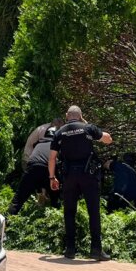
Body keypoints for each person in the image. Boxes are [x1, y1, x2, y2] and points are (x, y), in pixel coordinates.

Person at [49, 105, 113, 260]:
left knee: (69, 212)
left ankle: (70, 249)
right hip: (88, 176)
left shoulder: (59, 132)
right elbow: (108, 139)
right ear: (81, 115)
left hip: (69, 176)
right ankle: (96, 250)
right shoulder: (87, 128)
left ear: (66, 116)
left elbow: (52, 158)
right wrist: (86, 123)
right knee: (93, 212)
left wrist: (52, 177)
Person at [8, 125, 57, 215]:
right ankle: (55, 214)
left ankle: (8, 219)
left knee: (18, 198)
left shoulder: (38, 145)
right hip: (47, 170)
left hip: (32, 169)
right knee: (55, 196)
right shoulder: (57, 146)